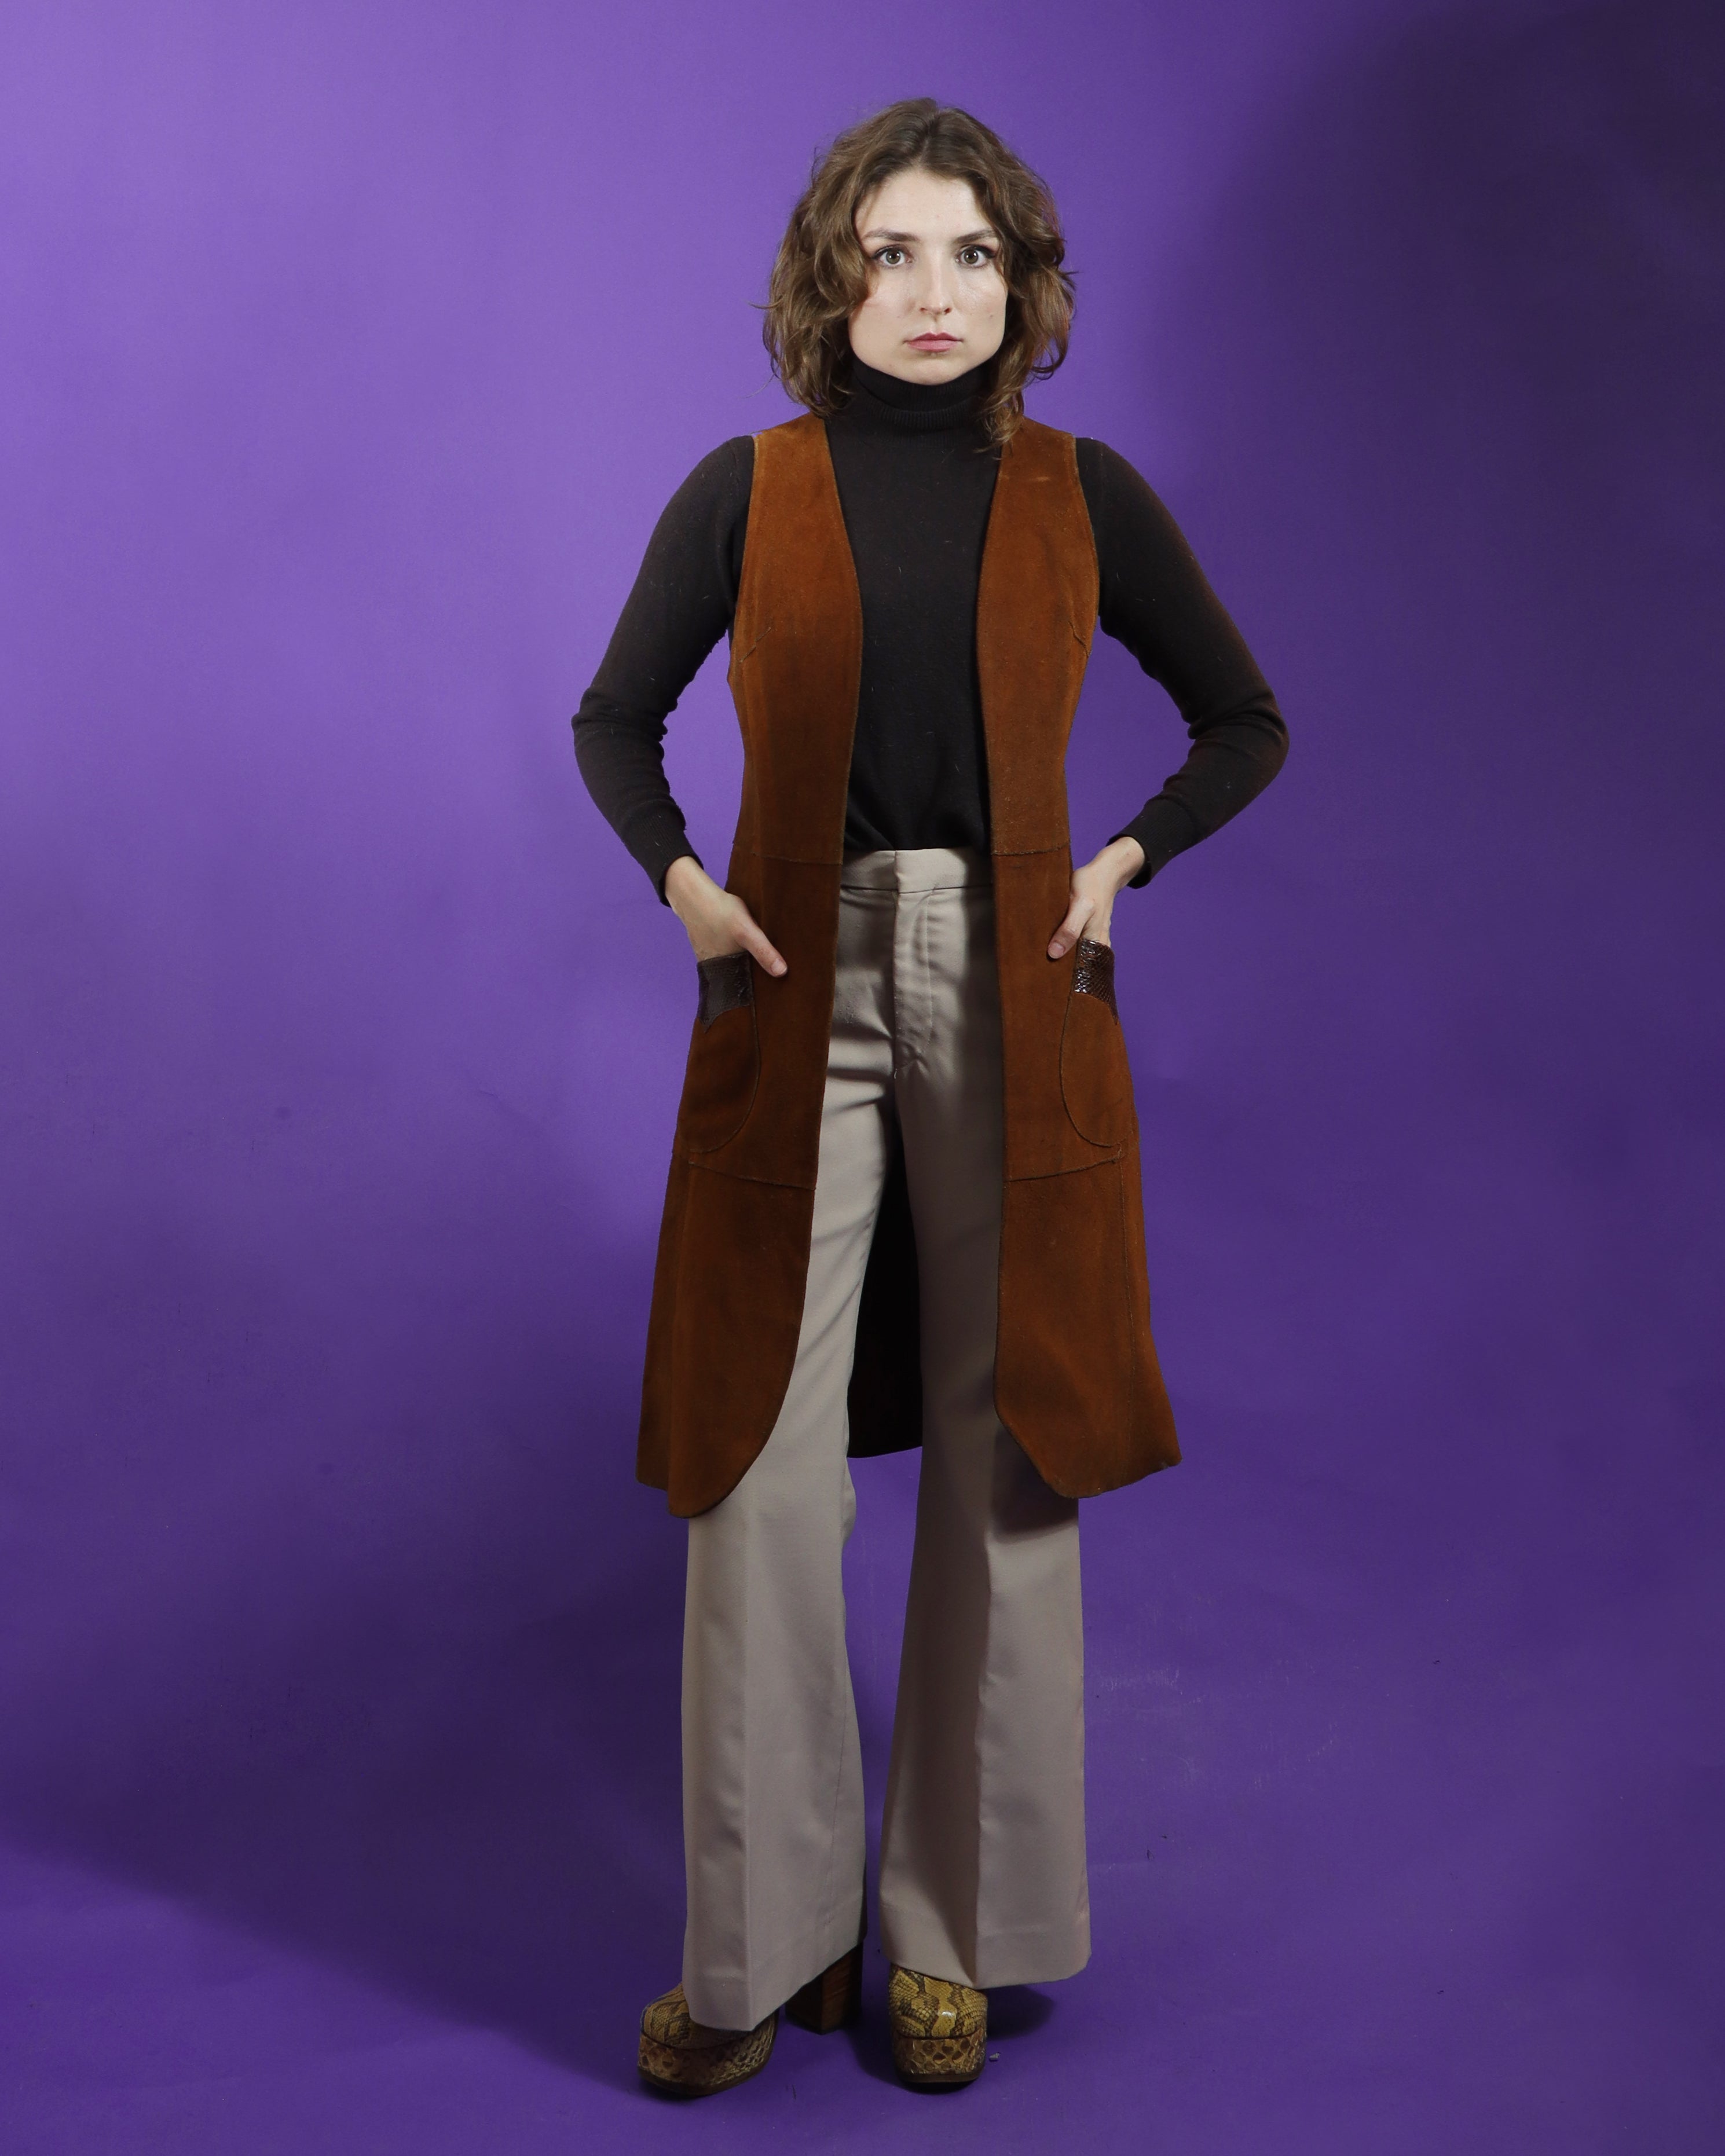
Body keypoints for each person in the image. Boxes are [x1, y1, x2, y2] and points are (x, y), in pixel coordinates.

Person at [573, 97, 1286, 2098]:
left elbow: (1242, 719)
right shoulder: (746, 490)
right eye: (891, 252)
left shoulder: (1079, 493)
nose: (933, 291)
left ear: (1021, 283)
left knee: (1008, 1442)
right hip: (787, 976)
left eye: (971, 254)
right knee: (754, 1458)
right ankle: (764, 1940)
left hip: (1014, 979)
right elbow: (614, 719)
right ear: (832, 277)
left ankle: (949, 1939)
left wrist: (1122, 859)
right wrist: (686, 885)